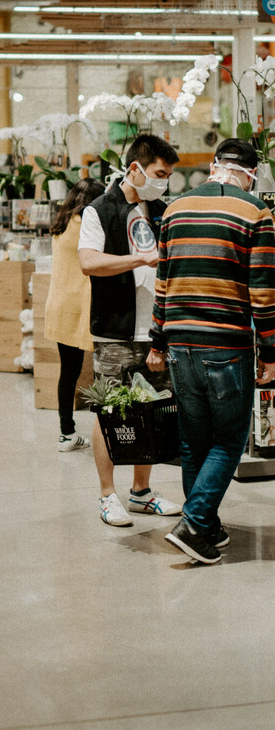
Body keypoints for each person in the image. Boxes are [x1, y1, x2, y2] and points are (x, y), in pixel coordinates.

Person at [147, 138, 275, 564]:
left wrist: (157, 340)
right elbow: (262, 292)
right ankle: (194, 521)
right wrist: (271, 353)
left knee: (193, 440)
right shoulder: (256, 213)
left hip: (180, 343)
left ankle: (207, 527)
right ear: (251, 174)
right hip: (226, 344)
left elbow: (162, 282)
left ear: (215, 165)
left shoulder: (175, 209)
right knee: (229, 440)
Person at [77, 134, 183, 526]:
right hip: (116, 329)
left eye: (168, 175)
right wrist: (138, 259)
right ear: (135, 169)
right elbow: (89, 262)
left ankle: (141, 492)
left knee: (151, 411)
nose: (164, 181)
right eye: (159, 173)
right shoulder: (99, 210)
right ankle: (107, 495)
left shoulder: (162, 210)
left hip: (155, 329)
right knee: (112, 412)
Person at [44, 178, 105, 451]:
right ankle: (106, 432)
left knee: (68, 371)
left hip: (59, 304)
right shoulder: (87, 226)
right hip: (81, 306)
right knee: (102, 369)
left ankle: (66, 433)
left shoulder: (62, 224)